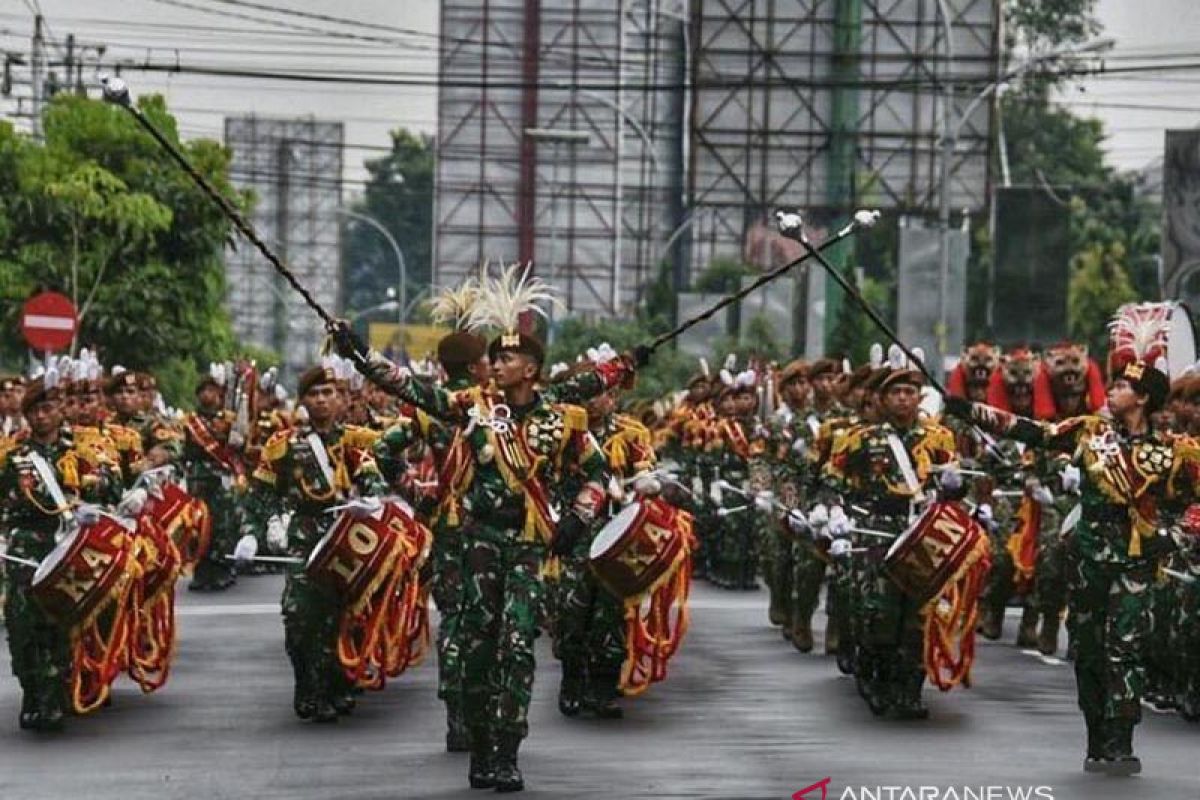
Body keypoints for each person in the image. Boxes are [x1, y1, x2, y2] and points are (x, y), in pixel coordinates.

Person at [332, 264, 645, 792]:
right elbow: (408, 388)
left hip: (527, 548)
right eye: (494, 356)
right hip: (476, 544)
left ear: (532, 369)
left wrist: (579, 517)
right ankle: (479, 742)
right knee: (476, 647)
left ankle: (507, 750)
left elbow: (596, 474)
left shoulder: (559, 418)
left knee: (518, 647)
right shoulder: (469, 408)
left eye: (508, 357)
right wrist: (360, 353)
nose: (497, 364)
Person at [944, 356, 1199, 774]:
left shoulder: (1173, 451)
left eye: (1122, 386)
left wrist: (1173, 534)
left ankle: (1120, 740)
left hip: (1135, 563)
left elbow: (1190, 503)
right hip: (1087, 560)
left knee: (1125, 650)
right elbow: (1031, 431)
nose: (1111, 391)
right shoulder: (1089, 433)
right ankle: (1096, 734)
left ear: (1143, 399)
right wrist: (967, 409)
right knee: (1088, 650)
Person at [241, 364, 387, 722]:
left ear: (341, 399)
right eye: (314, 394)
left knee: (343, 616)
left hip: (346, 537)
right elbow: (261, 494)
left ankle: (336, 684)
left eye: (329, 393)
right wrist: (252, 531)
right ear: (303, 400)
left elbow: (372, 480)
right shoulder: (285, 445)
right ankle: (307, 683)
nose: (322, 401)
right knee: (299, 615)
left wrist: (371, 500)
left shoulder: (355, 440)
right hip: (303, 537)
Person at [1, 375, 120, 731]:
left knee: (59, 625)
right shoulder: (12, 454)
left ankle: (53, 697)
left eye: (49, 408)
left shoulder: (82, 448)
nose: (42, 417)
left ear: (61, 411)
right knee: (22, 627)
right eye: (35, 410)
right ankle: (33, 690)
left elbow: (111, 483)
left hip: (69, 546)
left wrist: (92, 500)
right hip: (27, 546)